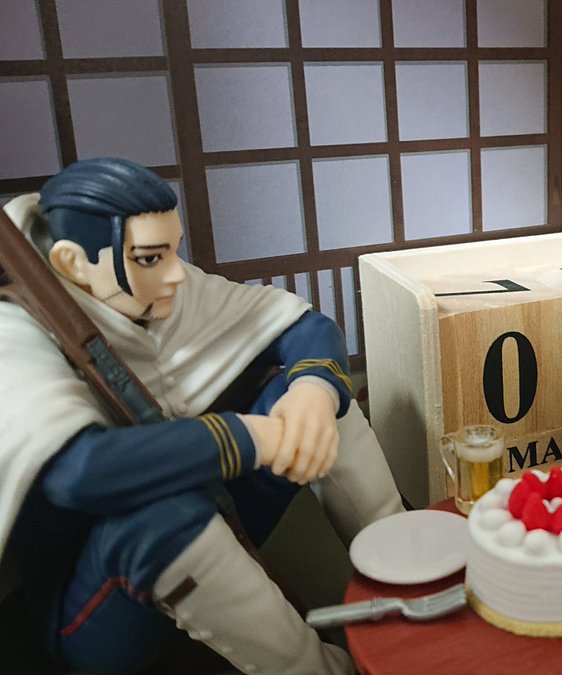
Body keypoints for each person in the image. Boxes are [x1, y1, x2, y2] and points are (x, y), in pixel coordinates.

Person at [0, 158, 407, 674]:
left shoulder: (164, 282)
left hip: (219, 511)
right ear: (75, 263)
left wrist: (313, 393)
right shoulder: (15, 330)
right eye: (150, 258)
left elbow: (304, 326)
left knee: (314, 402)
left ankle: (408, 573)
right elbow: (78, 473)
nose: (175, 273)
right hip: (98, 592)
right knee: (161, 517)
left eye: (172, 251)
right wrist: (245, 438)